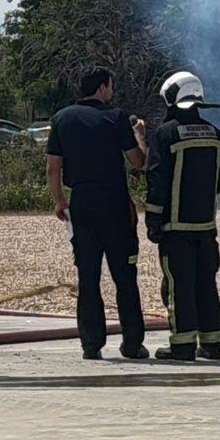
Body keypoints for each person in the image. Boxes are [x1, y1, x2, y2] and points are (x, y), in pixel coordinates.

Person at [47, 66, 149, 360]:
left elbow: (53, 167)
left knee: (88, 277)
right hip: (115, 205)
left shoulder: (62, 118)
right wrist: (140, 136)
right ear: (103, 88)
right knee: (125, 276)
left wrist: (59, 201)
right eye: (111, 86)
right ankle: (132, 343)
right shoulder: (115, 117)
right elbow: (137, 162)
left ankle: (91, 344)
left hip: (82, 203)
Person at [144, 71, 220, 361]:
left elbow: (157, 181)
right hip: (206, 229)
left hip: (176, 228)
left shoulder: (166, 133)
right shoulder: (215, 134)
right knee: (205, 283)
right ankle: (212, 344)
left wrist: (153, 221)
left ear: (172, 97)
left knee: (179, 285)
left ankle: (182, 345)